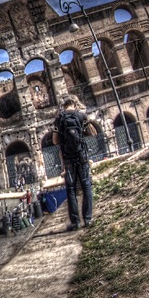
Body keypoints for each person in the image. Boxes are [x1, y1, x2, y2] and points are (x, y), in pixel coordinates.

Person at [53, 97, 97, 230]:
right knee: (86, 186)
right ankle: (88, 219)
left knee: (71, 189)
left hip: (68, 159)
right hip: (81, 155)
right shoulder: (81, 116)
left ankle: (75, 222)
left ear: (64, 106)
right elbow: (94, 133)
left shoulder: (59, 119)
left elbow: (55, 141)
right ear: (74, 104)